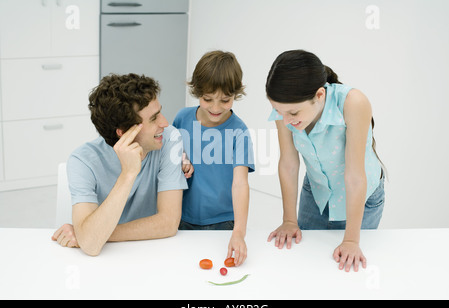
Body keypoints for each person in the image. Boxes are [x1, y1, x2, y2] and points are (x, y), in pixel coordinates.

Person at [266, 50, 386, 272]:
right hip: (317, 192)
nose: (286, 120)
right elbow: (289, 164)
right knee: (308, 263)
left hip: (361, 194)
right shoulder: (285, 108)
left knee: (347, 271)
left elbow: (355, 177)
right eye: (278, 111)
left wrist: (351, 241)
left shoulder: (353, 103)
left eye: (293, 113)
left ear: (319, 95)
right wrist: (289, 220)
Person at [51, 74, 188, 256]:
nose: (165, 123)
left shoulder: (170, 138)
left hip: (152, 252)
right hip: (104, 262)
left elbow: (169, 223)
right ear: (124, 133)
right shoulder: (82, 161)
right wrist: (128, 174)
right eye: (154, 119)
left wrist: (92, 234)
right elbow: (91, 246)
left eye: (160, 112)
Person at [173, 51, 255, 266]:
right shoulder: (182, 117)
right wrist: (180, 157)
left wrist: (239, 232)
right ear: (197, 91)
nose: (216, 108)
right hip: (181, 217)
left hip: (223, 222)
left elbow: (240, 183)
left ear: (235, 95)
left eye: (225, 100)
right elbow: (166, 151)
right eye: (208, 99)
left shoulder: (239, 131)